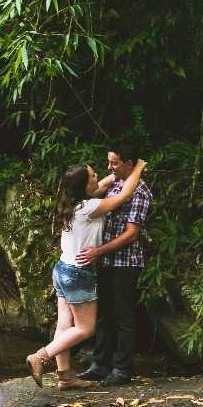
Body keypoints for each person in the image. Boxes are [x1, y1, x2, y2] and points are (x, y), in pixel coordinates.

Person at [26, 157, 147, 389]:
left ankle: (66, 377)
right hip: (78, 272)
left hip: (62, 269)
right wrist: (138, 168)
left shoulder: (74, 203)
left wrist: (118, 173)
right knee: (85, 328)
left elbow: (102, 184)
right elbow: (123, 196)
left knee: (64, 326)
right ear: (85, 185)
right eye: (92, 175)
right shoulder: (90, 208)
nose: (97, 176)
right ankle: (40, 357)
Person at [75, 141, 153, 385]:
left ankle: (121, 369)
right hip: (105, 260)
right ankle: (100, 365)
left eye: (114, 163)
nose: (109, 167)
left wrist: (97, 251)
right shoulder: (117, 183)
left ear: (128, 163)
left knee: (123, 316)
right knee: (103, 316)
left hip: (125, 263)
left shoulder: (139, 192)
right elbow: (96, 188)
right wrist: (133, 168)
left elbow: (132, 234)